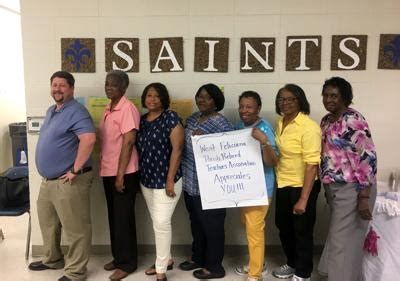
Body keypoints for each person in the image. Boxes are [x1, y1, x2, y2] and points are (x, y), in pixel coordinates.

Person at [28, 71, 96, 281]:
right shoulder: (52, 110)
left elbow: (89, 139)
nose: (57, 89)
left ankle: (75, 271)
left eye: (62, 85)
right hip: (48, 182)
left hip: (69, 181)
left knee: (76, 227)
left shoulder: (77, 111)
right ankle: (52, 259)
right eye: (54, 85)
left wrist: (75, 169)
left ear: (71, 89)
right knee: (48, 223)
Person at [317, 77, 377, 281]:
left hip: (355, 187)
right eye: (325, 95)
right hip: (335, 188)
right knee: (343, 239)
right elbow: (326, 157)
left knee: (341, 241)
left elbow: (367, 158)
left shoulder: (353, 119)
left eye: (334, 95)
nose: (328, 99)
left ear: (345, 97)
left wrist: (363, 197)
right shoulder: (326, 121)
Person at [179, 83, 233, 280]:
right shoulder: (193, 118)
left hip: (212, 187)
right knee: (196, 224)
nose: (202, 100)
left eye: (208, 97)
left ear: (216, 101)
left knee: (213, 227)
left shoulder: (222, 123)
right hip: (190, 183)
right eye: (200, 96)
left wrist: (209, 140)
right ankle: (198, 257)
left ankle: (215, 267)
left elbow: (230, 153)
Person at [271, 84, 321, 281]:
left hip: (303, 186)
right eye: (282, 99)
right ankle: (292, 263)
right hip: (283, 183)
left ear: (300, 100)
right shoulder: (280, 122)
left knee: (302, 231)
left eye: (291, 98)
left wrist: (303, 199)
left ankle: (303, 272)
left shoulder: (309, 127)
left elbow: (312, 165)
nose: (286, 102)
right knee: (283, 226)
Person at [137, 83, 184, 281]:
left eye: (157, 96)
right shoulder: (142, 120)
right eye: (149, 95)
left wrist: (170, 180)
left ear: (164, 98)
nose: (152, 99)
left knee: (161, 224)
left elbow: (178, 149)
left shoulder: (170, 118)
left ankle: (161, 269)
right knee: (158, 222)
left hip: (167, 181)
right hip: (147, 180)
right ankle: (168, 259)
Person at [99, 70, 141, 280]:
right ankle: (118, 257)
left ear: (124, 88)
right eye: (107, 83)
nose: (108, 87)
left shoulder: (128, 108)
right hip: (108, 171)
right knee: (114, 217)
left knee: (123, 219)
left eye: (114, 85)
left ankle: (128, 263)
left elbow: (129, 142)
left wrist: (120, 175)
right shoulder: (109, 108)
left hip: (124, 172)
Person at [233, 91, 279, 281]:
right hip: (243, 188)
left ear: (258, 108)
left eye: (249, 106)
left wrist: (264, 142)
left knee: (254, 230)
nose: (244, 110)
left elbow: (273, 162)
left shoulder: (264, 128)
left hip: (260, 189)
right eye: (242, 106)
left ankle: (255, 274)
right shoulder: (238, 127)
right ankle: (258, 262)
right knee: (249, 225)